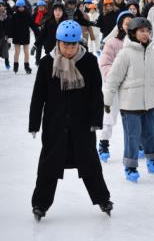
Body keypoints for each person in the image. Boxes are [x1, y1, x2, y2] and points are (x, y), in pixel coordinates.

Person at [29, 20, 113, 221]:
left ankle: (103, 199)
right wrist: (34, 124)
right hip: (55, 125)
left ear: (79, 43)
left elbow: (96, 95)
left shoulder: (89, 61)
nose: (69, 49)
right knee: (49, 166)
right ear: (58, 43)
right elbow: (38, 96)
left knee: (90, 164)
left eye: (73, 45)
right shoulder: (47, 63)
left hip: (82, 125)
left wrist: (95, 120)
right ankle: (40, 204)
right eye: (65, 45)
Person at [103, 17, 154, 182]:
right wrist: (107, 101)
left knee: (152, 134)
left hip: (148, 104)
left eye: (147, 31)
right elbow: (113, 79)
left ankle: (152, 161)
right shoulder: (125, 53)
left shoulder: (153, 52)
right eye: (141, 31)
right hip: (130, 105)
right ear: (132, 33)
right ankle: (130, 166)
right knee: (133, 137)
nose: (145, 34)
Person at [98, 11, 135, 162]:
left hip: (132, 88)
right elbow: (105, 64)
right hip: (113, 87)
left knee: (134, 118)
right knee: (109, 117)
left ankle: (137, 144)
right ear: (120, 25)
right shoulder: (112, 42)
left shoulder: (139, 42)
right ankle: (103, 143)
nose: (129, 26)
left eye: (131, 23)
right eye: (126, 23)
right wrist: (114, 78)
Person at [8, 0, 40, 74]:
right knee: (17, 52)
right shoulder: (14, 16)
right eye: (19, 7)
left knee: (26, 52)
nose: (21, 8)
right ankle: (15, 66)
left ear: (24, 7)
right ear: (17, 7)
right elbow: (11, 26)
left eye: (22, 7)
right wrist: (10, 36)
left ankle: (27, 66)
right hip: (17, 36)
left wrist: (37, 32)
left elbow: (32, 24)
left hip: (25, 35)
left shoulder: (27, 14)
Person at [31, 0, 48, 65]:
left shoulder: (47, 14)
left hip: (46, 32)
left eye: (42, 6)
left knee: (47, 46)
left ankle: (48, 59)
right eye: (39, 7)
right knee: (39, 47)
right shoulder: (35, 14)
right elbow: (32, 23)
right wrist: (36, 28)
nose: (40, 8)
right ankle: (37, 61)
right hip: (38, 33)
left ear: (44, 7)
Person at [0, 0, 11, 69]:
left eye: (2, 5)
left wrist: (9, 36)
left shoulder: (6, 15)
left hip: (4, 35)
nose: (1, 7)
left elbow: (9, 25)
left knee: (5, 50)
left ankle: (7, 62)